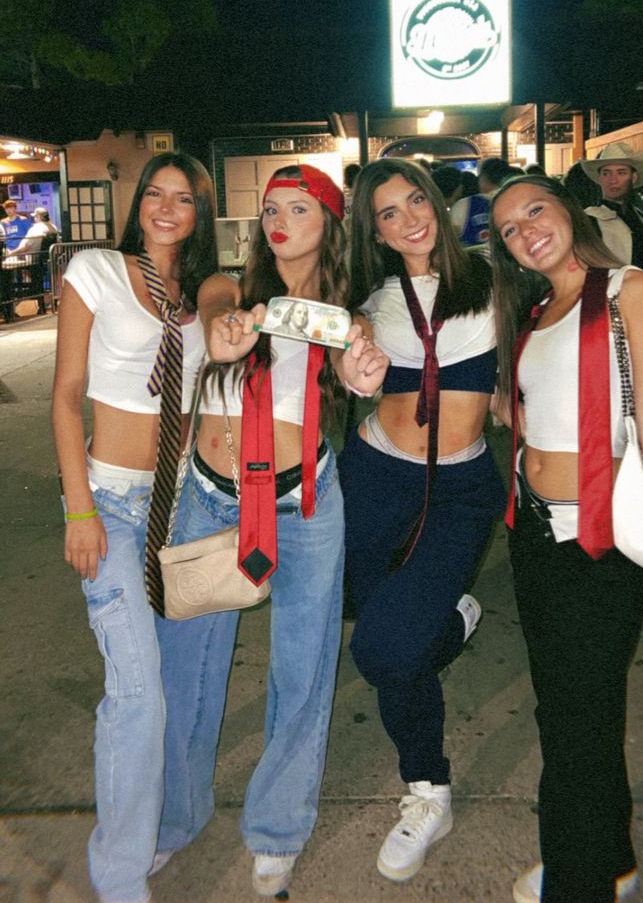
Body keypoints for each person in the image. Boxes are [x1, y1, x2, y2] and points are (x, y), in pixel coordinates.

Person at [154, 164, 388, 899]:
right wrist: (224, 330)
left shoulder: (348, 311)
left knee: (303, 666)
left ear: (329, 221)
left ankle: (277, 827)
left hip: (303, 504)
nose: (280, 221)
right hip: (210, 498)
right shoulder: (231, 290)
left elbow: (359, 367)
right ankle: (171, 818)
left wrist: (366, 368)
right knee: (183, 668)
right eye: (270, 209)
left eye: (299, 207)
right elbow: (218, 318)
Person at [488, 174, 643, 903]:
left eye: (534, 211)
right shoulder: (536, 309)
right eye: (508, 229)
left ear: (567, 211)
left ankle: (578, 882)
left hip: (596, 541)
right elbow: (538, 408)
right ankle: (607, 862)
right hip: (534, 534)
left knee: (580, 722)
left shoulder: (625, 291)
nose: (525, 231)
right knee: (566, 710)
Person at [50, 152, 217, 903]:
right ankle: (118, 874)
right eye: (154, 192)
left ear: (199, 214)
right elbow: (65, 396)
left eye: (182, 199)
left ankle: (169, 825)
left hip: (179, 504)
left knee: (178, 685)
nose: (165, 207)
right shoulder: (97, 270)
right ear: (137, 201)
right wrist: (78, 507)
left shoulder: (198, 299)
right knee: (137, 691)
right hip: (111, 507)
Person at [338, 157, 505, 883]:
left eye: (415, 201)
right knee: (357, 608)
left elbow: (598, 296)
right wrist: (346, 369)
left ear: (437, 204)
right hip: (374, 472)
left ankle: (428, 789)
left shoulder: (496, 283)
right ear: (372, 231)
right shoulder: (370, 302)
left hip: (459, 487)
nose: (407, 219)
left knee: (383, 651)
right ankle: (449, 618)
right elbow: (339, 359)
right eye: (387, 213)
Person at [580, 142, 643, 278]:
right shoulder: (588, 221)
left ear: (633, 177)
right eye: (606, 173)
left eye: (621, 172)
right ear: (599, 178)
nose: (613, 180)